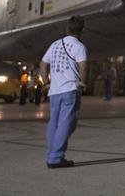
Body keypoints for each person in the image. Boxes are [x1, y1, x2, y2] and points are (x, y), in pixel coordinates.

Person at [40, 16, 88, 169]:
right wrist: (82, 82)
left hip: (54, 91)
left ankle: (52, 154)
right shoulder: (79, 46)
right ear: (82, 30)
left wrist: (46, 82)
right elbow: (83, 67)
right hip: (70, 90)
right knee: (67, 124)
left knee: (54, 123)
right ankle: (56, 157)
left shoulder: (54, 45)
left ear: (67, 28)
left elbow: (43, 64)